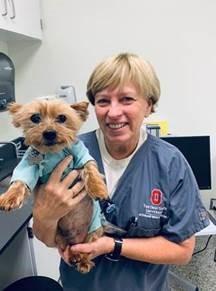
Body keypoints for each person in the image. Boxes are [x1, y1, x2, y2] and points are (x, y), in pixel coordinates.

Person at [32, 52, 209, 291]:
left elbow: (182, 250)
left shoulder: (170, 164)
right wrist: (48, 214)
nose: (113, 112)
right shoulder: (64, 152)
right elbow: (44, 237)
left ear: (149, 105)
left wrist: (111, 245)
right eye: (103, 101)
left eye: (126, 99)